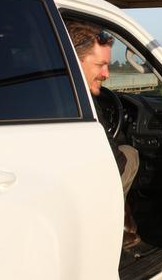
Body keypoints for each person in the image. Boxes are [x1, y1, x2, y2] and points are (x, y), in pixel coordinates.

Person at [66, 20, 142, 250]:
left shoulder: (54, 90)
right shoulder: (78, 100)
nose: (106, 74)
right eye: (100, 64)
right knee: (130, 155)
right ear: (75, 61)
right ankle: (118, 229)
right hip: (78, 189)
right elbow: (114, 164)